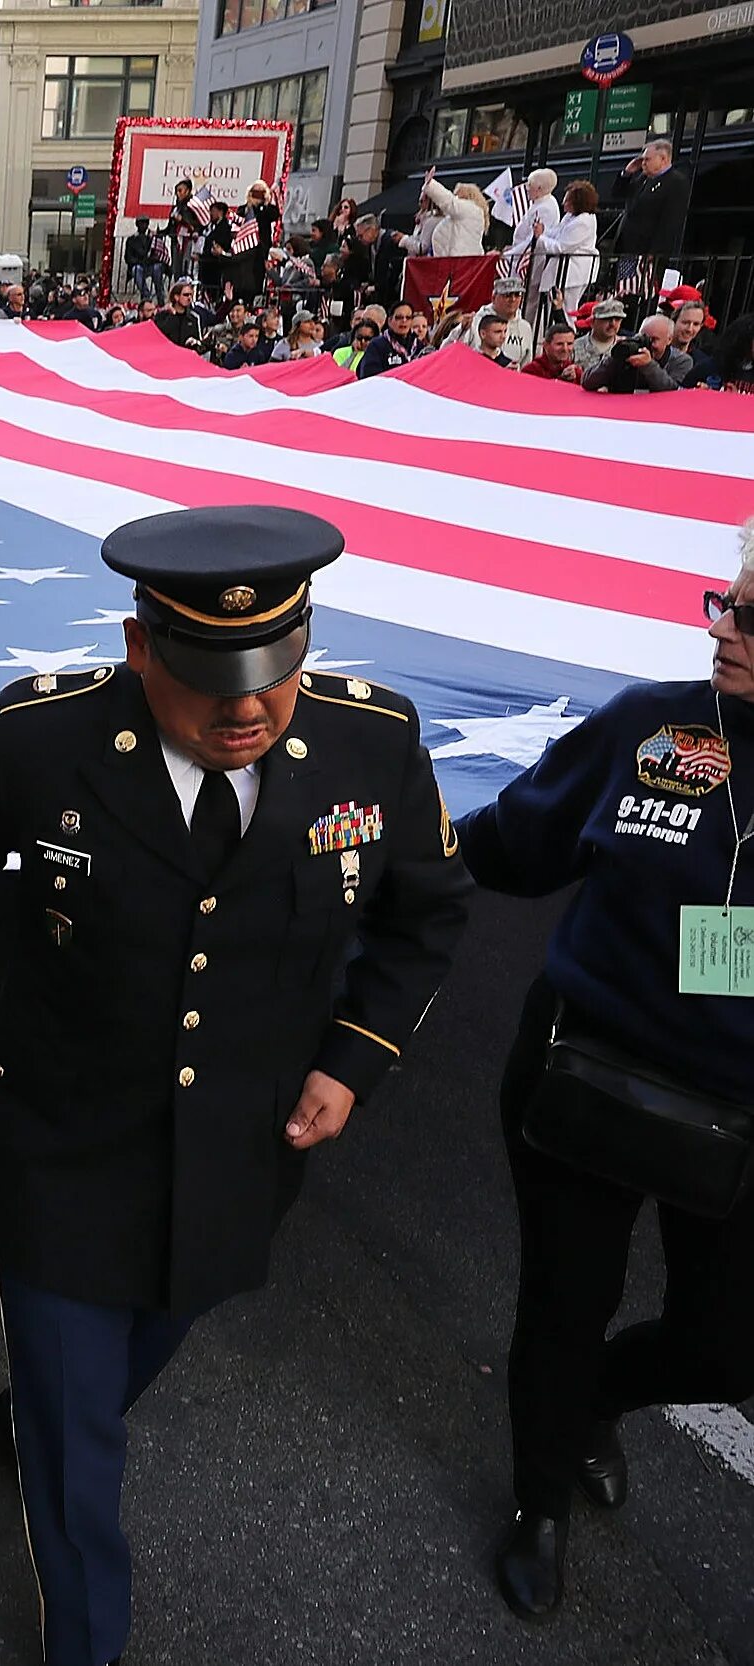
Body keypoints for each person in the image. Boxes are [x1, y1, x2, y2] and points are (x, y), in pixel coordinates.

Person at [0, 506, 471, 1666]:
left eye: (275, 669)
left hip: (242, 1150)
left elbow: (429, 914)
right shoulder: (41, 738)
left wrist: (352, 1060)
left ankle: (39, 1408)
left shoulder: (370, 744)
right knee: (83, 1455)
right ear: (140, 646)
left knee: (140, 1342)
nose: (246, 707)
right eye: (208, 677)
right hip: (63, 1145)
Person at [459, 545, 754, 1623]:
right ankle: (539, 1501)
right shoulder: (648, 722)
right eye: (727, 604)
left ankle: (597, 1403)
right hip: (581, 1067)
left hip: (743, 1118)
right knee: (562, 1302)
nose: (720, 627)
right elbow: (512, 841)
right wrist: (377, 847)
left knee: (726, 1346)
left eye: (751, 618)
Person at [612, 138, 691, 272]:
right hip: (627, 248)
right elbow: (617, 194)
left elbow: (671, 220)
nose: (643, 163)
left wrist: (655, 252)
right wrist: (627, 173)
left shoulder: (676, 182)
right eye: (642, 159)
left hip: (646, 253)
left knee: (638, 290)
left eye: (647, 159)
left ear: (663, 159)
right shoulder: (643, 178)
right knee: (622, 289)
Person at [540, 181, 601, 315]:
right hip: (563, 272)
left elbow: (562, 247)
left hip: (573, 274)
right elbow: (556, 233)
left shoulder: (584, 221)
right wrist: (544, 232)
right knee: (552, 308)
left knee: (567, 310)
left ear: (578, 202)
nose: (563, 203)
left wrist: (540, 237)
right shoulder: (570, 216)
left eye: (567, 200)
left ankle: (568, 334)